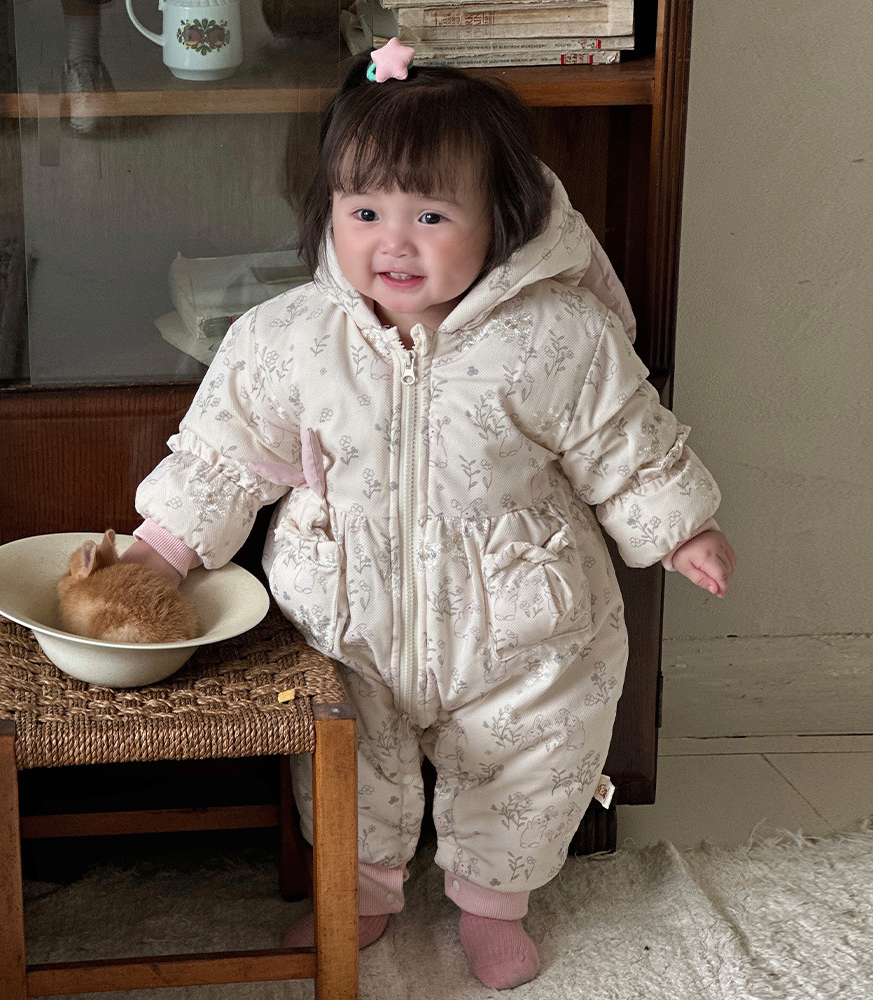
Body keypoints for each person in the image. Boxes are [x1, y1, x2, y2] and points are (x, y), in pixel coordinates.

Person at [122, 40, 736, 991]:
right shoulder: (291, 339)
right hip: (346, 615)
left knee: (534, 758)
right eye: (364, 212)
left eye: (432, 215)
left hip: (521, 615)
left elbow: (622, 434)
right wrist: (164, 548)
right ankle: (360, 895)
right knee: (343, 761)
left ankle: (495, 904)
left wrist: (677, 524)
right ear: (329, 210)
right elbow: (225, 452)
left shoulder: (555, 335)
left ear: (502, 219)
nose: (393, 243)